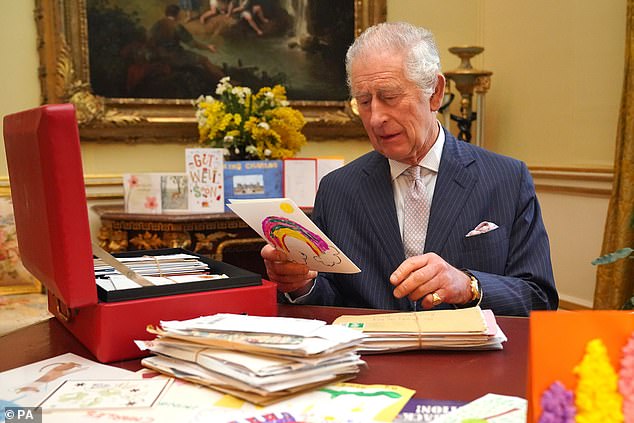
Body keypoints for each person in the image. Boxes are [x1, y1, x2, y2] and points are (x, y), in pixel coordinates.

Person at [261, 22, 558, 317]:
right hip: (371, 360)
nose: (376, 118)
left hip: (468, 360)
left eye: (390, 97)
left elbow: (539, 298)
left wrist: (469, 286)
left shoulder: (506, 178)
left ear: (435, 93)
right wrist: (301, 284)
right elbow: (329, 300)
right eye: (364, 102)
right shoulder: (338, 189)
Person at [148, 4, 224, 81]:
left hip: (159, 55)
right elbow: (192, 44)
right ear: (177, 14)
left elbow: (150, 40)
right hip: (176, 56)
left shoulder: (157, 24)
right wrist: (208, 47)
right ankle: (226, 82)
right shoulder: (176, 26)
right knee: (204, 60)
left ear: (166, 13)